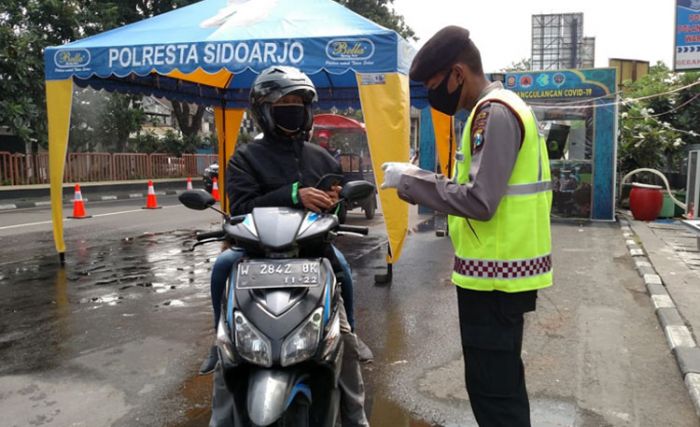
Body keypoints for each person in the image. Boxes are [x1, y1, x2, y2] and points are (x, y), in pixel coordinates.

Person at [381, 26, 553, 427]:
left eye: (435, 84)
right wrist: (419, 174)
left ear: (458, 73)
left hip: (496, 276)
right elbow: (477, 186)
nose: (433, 95)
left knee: (495, 395)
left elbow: (479, 200)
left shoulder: (493, 113)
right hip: (499, 273)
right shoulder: (502, 107)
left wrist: (410, 183)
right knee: (499, 385)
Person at [205, 65, 369, 427]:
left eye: (298, 102)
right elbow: (242, 206)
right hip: (255, 256)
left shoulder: (323, 158)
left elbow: (336, 209)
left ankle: (352, 343)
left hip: (312, 256)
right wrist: (294, 194)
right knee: (220, 268)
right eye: (284, 102)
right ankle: (219, 344)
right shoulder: (245, 158)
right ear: (264, 109)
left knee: (342, 273)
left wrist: (336, 199)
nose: (293, 108)